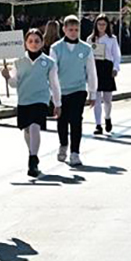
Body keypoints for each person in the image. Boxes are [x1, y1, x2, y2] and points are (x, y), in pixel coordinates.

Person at [1, 29, 62, 177]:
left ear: (42, 43)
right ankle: (32, 152)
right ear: (25, 44)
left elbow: (54, 84)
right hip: (24, 100)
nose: (33, 44)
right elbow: (14, 83)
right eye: (30, 41)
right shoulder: (18, 62)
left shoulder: (49, 62)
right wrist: (7, 77)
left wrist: (57, 103)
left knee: (35, 126)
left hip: (40, 99)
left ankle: (33, 160)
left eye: (37, 41)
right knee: (27, 130)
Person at [50, 15, 97, 167]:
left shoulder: (86, 48)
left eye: (76, 30)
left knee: (76, 120)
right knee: (62, 120)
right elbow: (52, 72)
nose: (73, 32)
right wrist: (53, 94)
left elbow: (91, 71)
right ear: (64, 29)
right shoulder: (56, 48)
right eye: (70, 29)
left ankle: (75, 152)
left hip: (78, 90)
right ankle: (63, 144)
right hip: (61, 91)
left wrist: (93, 92)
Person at [88, 14, 121, 135]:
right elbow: (87, 56)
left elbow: (116, 55)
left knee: (107, 99)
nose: (101, 26)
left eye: (104, 24)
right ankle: (98, 125)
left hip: (107, 68)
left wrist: (115, 68)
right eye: (99, 24)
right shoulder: (90, 39)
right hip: (95, 68)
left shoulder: (112, 39)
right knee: (96, 99)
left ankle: (107, 117)